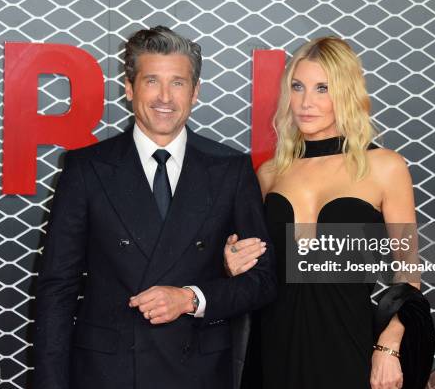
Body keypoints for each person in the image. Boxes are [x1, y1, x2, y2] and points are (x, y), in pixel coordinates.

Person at [33, 26, 277, 389]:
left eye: (178, 83)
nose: (165, 97)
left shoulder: (229, 169)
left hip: (198, 372)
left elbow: (263, 282)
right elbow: (57, 289)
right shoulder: (86, 169)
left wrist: (190, 298)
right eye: (152, 81)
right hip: (107, 373)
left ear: (195, 92)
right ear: (129, 88)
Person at [224, 37, 435, 389]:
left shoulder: (384, 167)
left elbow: (408, 274)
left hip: (348, 348)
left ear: (346, 93)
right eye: (298, 87)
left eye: (323, 88)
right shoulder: (270, 174)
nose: (306, 102)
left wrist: (389, 345)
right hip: (273, 350)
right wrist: (230, 263)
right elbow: (255, 272)